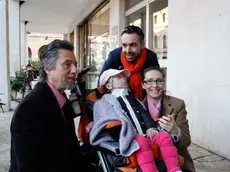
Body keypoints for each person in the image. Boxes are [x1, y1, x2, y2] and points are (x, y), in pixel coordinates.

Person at [10, 39, 94, 172]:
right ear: (48, 68)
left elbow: (72, 150)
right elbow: (29, 166)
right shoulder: (30, 108)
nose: (75, 70)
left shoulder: (61, 99)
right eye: (67, 64)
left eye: (75, 64)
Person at [90, 69, 182, 172]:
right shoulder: (104, 103)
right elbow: (104, 120)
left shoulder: (132, 98)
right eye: (119, 77)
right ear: (109, 85)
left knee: (164, 136)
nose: (124, 78)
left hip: (146, 134)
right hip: (129, 138)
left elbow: (144, 114)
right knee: (140, 142)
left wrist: (151, 127)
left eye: (124, 76)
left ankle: (174, 169)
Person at [141, 66, 196, 172]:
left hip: (177, 160)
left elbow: (187, 141)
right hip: (149, 161)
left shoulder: (177, 104)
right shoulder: (136, 107)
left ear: (163, 83)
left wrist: (176, 130)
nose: (155, 85)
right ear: (143, 85)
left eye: (159, 81)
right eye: (150, 81)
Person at [99, 25, 159, 100]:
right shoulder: (114, 56)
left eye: (133, 45)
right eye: (124, 45)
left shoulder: (150, 58)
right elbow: (101, 83)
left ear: (143, 44)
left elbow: (157, 85)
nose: (128, 50)